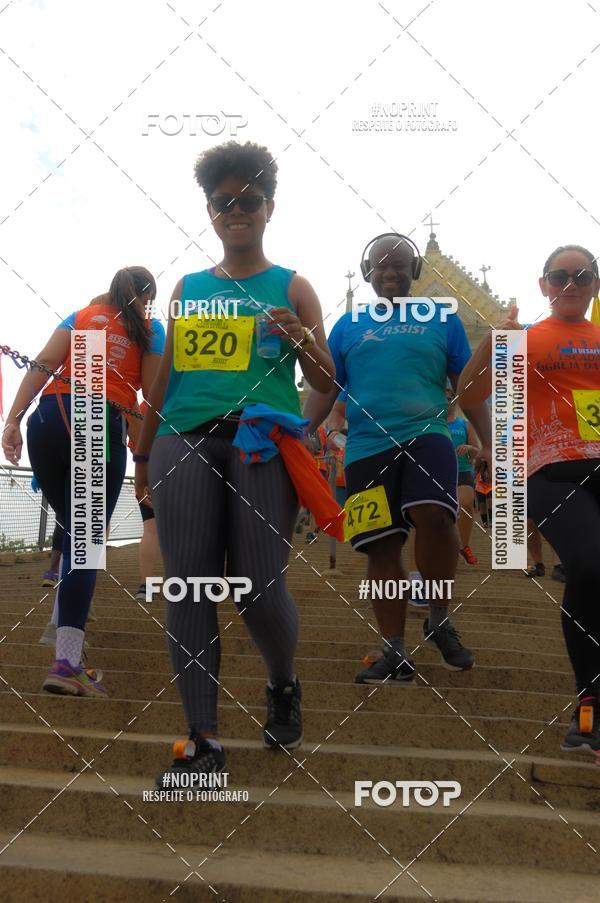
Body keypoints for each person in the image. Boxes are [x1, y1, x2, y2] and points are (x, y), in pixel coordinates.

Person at [133, 141, 334, 784]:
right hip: (184, 439)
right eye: (224, 203)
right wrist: (141, 448)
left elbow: (327, 380)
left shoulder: (294, 285)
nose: (236, 210)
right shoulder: (187, 288)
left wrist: (300, 337)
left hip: (261, 440)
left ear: (269, 209)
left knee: (257, 586)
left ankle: (282, 681)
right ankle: (203, 742)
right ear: (212, 214)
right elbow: (167, 376)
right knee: (187, 585)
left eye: (249, 200)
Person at [304, 233, 492, 683]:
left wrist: (488, 440)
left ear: (416, 272)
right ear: (367, 272)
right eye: (381, 266)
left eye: (400, 265)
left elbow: (465, 386)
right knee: (380, 545)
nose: (390, 272)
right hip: (367, 445)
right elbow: (327, 385)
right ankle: (393, 649)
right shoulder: (347, 326)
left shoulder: (441, 319)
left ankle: (439, 617)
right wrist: (303, 430)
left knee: (436, 516)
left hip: (426, 433)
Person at [458, 244, 600, 752]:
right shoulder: (526, 339)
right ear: (543, 284)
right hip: (549, 473)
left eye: (582, 276)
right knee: (588, 566)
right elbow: (468, 396)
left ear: (594, 285)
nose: (571, 284)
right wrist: (492, 343)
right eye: (559, 276)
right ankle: (589, 703)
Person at [2, 266, 164, 696]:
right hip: (94, 421)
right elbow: (152, 392)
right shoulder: (148, 328)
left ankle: (64, 629)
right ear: (146, 297)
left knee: (77, 533)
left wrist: (12, 421)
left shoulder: (81, 317)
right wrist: (144, 447)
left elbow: (42, 364)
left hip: (48, 420)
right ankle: (67, 661)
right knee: (87, 543)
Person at [446, 386, 479, 565]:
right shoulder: (433, 423)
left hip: (463, 470)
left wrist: (469, 448)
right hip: (438, 472)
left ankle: (464, 546)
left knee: (465, 503)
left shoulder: (463, 424)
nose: (447, 398)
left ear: (455, 400)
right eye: (443, 395)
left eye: (450, 395)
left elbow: (477, 452)